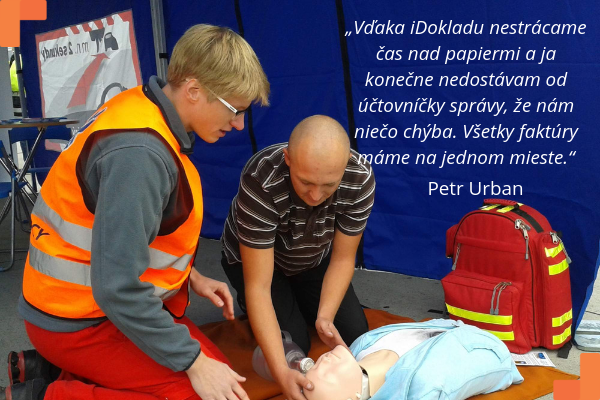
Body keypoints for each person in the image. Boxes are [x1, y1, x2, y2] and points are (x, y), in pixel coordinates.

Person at [5, 24, 270, 400]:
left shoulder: (141, 106)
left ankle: (47, 369)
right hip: (77, 320)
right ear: (194, 90)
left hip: (82, 304)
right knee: (203, 393)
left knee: (223, 382)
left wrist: (191, 276)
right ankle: (46, 393)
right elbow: (118, 289)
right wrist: (193, 362)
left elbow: (120, 231)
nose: (240, 123)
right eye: (235, 109)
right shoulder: (140, 156)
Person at [221, 115, 376, 400]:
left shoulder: (359, 177)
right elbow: (259, 286)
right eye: (305, 182)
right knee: (295, 345)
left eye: (329, 185)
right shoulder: (262, 178)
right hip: (258, 264)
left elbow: (343, 259)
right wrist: (281, 372)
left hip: (313, 258)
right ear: (288, 159)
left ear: (344, 167)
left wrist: (325, 315)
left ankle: (301, 303)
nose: (315, 195)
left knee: (354, 334)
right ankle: (272, 305)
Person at [304, 319, 524, 400]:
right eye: (327, 375)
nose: (323, 361)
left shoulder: (362, 345)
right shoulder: (422, 387)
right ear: (354, 398)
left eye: (313, 366)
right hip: (489, 347)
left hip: (449, 327)